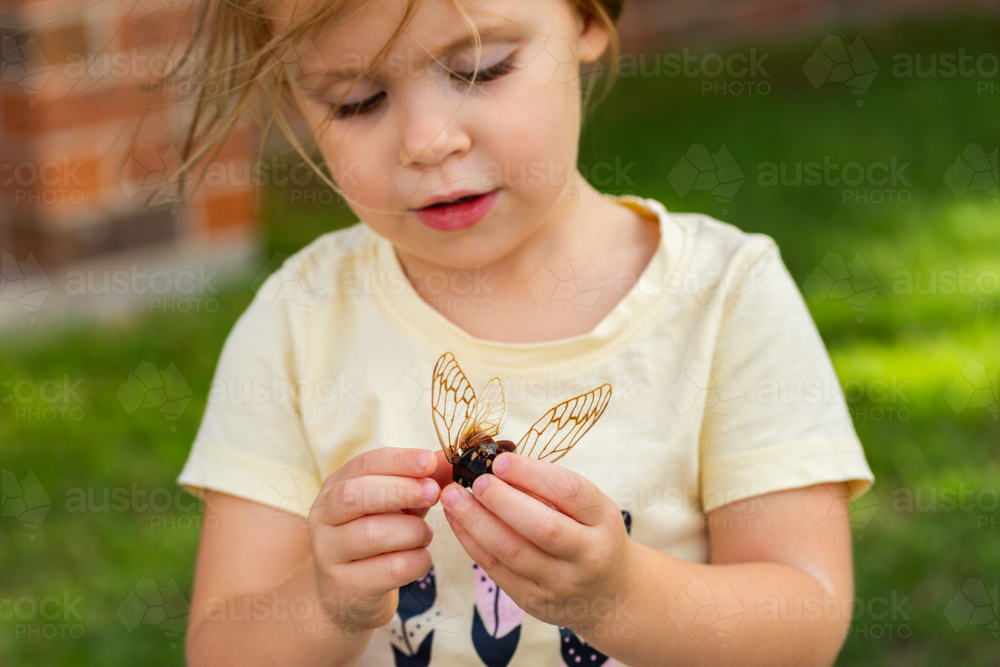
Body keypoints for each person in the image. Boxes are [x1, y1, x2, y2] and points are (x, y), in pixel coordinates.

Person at [175, 0, 875, 665]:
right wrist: (323, 603)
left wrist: (622, 595)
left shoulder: (725, 298)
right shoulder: (298, 322)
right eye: (356, 100)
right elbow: (220, 647)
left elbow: (805, 623)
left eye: (481, 69)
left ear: (587, 17)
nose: (427, 141)